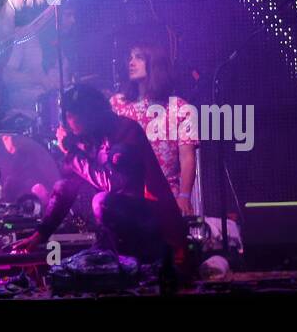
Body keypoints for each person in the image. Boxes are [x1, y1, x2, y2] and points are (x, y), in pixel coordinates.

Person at [11, 86, 187, 267]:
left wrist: (72, 154)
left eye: (71, 115)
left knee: (101, 201)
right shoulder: (89, 138)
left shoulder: (125, 131)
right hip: (114, 231)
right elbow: (66, 188)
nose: (68, 123)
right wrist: (40, 234)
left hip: (148, 223)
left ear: (88, 114)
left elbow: (112, 181)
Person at [111, 42, 199, 216]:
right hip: (125, 196)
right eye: (130, 57)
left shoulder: (181, 108)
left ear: (155, 64)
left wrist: (184, 196)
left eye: (139, 57)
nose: (131, 62)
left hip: (165, 196)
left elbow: (187, 157)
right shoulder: (118, 104)